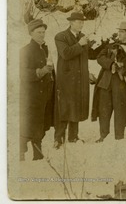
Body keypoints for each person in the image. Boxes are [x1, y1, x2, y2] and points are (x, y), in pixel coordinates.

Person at [54, 12, 106, 149]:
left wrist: (103, 44)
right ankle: (58, 139)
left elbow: (92, 55)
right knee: (64, 108)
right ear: (71, 22)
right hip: (66, 80)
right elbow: (65, 54)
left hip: (80, 79)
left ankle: (73, 137)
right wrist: (79, 44)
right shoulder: (61, 36)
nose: (81, 24)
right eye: (78, 22)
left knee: (76, 107)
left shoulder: (83, 37)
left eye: (82, 22)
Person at [91, 21, 126, 142]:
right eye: (119, 31)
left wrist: (125, 67)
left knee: (120, 109)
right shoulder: (110, 46)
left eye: (122, 32)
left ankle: (119, 136)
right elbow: (99, 57)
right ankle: (103, 135)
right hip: (106, 82)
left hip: (122, 84)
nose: (119, 34)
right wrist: (111, 64)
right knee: (103, 109)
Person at [20, 19, 55, 160]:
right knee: (28, 126)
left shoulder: (44, 49)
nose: (42, 35)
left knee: (40, 125)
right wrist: (40, 71)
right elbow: (22, 73)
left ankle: (38, 155)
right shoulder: (25, 51)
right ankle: (20, 154)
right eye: (39, 32)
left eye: (43, 32)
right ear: (31, 33)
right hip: (31, 96)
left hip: (44, 95)